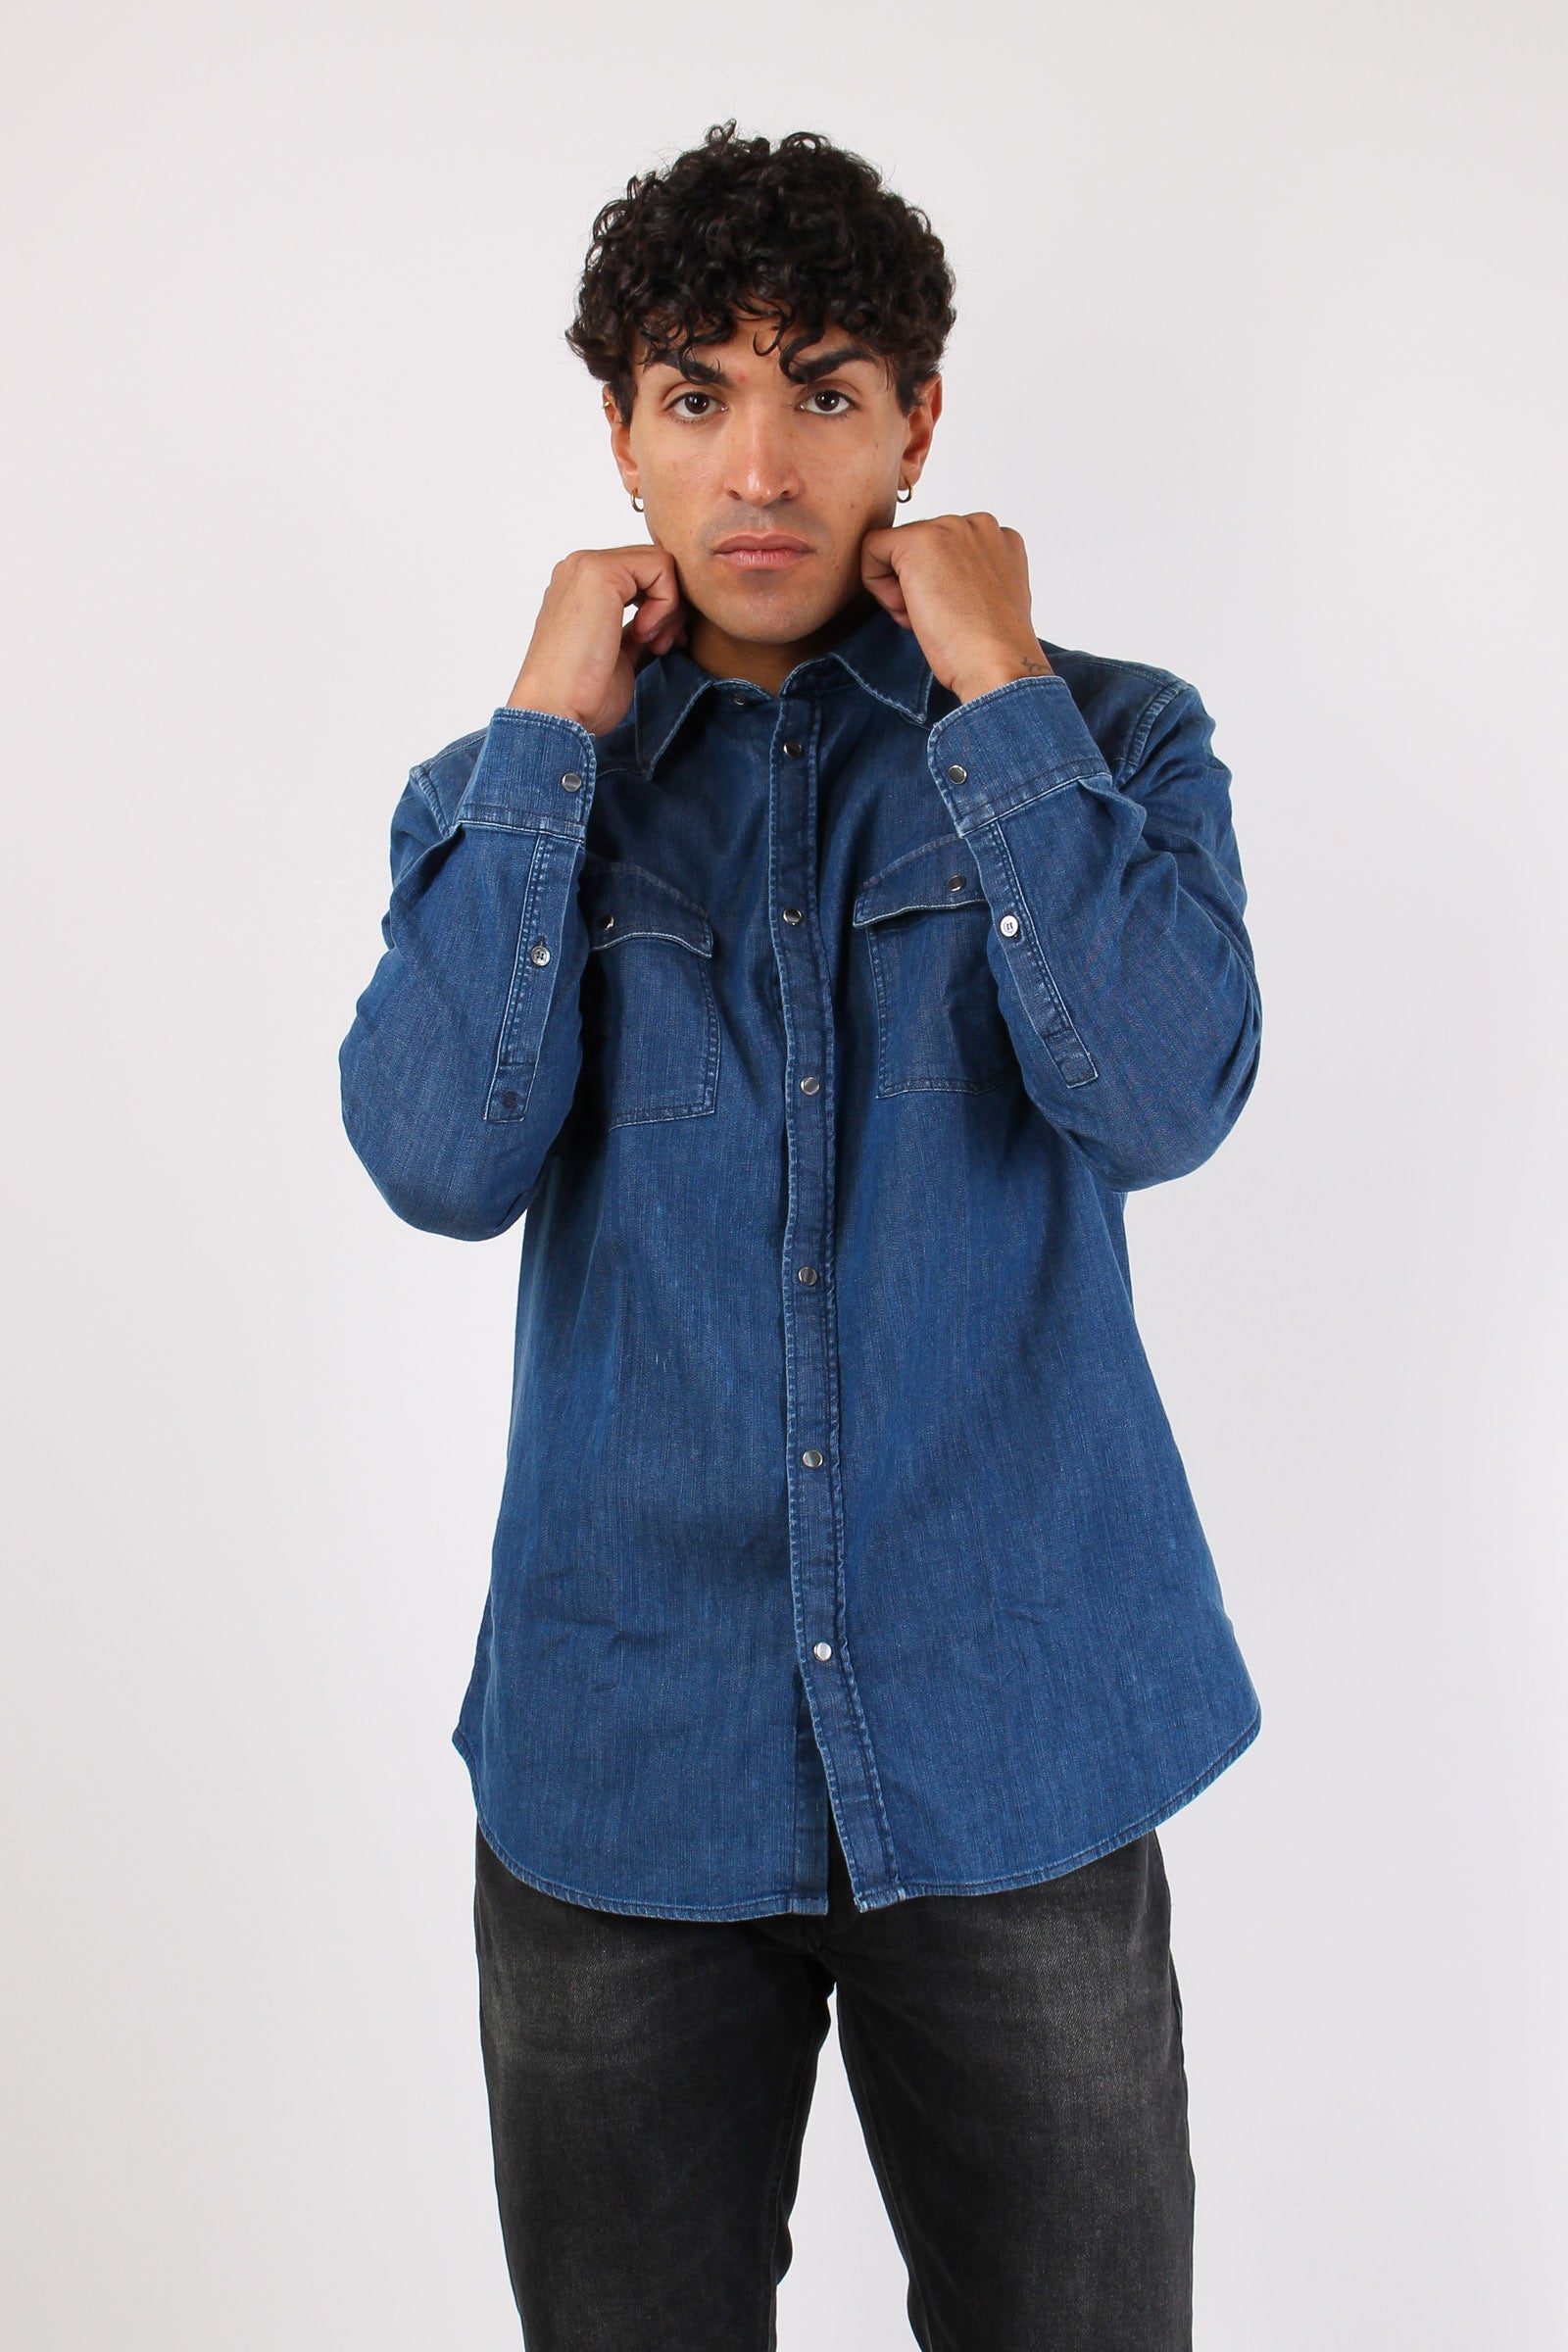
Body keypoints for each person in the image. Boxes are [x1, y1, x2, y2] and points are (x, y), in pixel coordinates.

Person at [340, 119, 1263, 2352]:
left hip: (1018, 1741)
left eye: (823, 393)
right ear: (621, 435)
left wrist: (1003, 699)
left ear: (916, 427)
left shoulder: (1108, 739)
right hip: (623, 1761)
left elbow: (1163, 1099)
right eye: (696, 395)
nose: (758, 467)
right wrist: (546, 735)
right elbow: (437, 1160)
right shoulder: (498, 800)